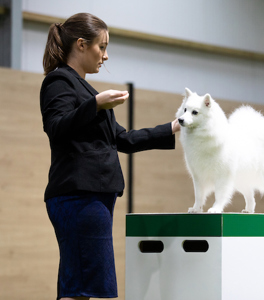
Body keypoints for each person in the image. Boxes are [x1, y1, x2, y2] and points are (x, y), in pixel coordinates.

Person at [40, 13, 180, 300]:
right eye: (101, 47)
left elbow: (122, 139)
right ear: (81, 44)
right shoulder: (59, 81)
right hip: (78, 197)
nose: (105, 56)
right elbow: (57, 127)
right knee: (81, 284)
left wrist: (172, 128)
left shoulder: (84, 88)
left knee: (79, 283)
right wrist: (94, 104)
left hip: (92, 198)